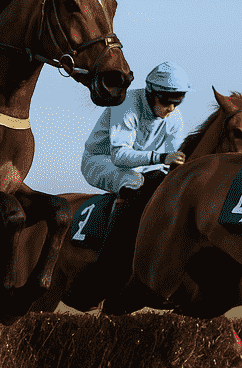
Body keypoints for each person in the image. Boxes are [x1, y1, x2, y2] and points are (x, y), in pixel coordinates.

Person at [67, 61, 192, 310]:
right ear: (151, 93)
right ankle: (109, 263)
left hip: (144, 168)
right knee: (132, 181)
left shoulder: (174, 118)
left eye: (176, 103)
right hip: (101, 161)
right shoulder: (126, 104)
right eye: (166, 102)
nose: (170, 109)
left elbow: (170, 163)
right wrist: (159, 159)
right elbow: (120, 156)